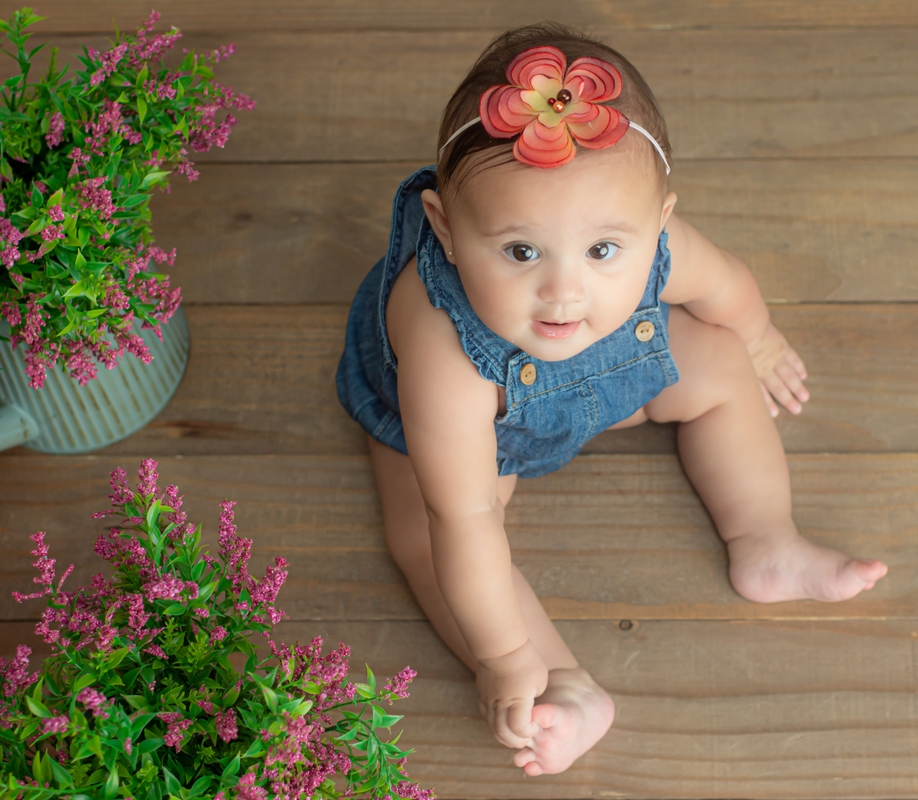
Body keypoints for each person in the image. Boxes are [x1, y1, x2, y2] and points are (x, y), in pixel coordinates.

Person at [336, 22, 888, 777]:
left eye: (603, 251)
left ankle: (767, 540)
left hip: (598, 384)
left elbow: (727, 283)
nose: (565, 291)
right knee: (431, 545)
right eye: (521, 251)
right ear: (447, 229)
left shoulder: (662, 249)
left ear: (657, 224)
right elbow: (460, 514)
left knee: (717, 359)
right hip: (473, 434)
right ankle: (561, 682)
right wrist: (501, 654)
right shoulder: (440, 349)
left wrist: (756, 341)